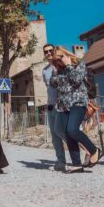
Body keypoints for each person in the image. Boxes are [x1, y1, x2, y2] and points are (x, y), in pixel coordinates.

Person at [50, 46, 100, 173]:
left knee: (72, 129)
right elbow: (53, 84)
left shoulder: (79, 65)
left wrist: (68, 66)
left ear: (66, 55)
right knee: (68, 133)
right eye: (56, 59)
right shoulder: (59, 70)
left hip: (78, 103)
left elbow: (76, 80)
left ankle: (94, 150)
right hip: (64, 105)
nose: (59, 61)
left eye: (60, 58)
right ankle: (76, 164)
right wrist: (55, 71)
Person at [41, 44, 66, 172]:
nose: (49, 53)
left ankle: (88, 149)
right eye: (46, 52)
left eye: (51, 50)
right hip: (51, 105)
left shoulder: (61, 65)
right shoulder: (45, 71)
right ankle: (61, 161)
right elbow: (49, 88)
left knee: (62, 132)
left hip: (62, 105)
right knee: (54, 135)